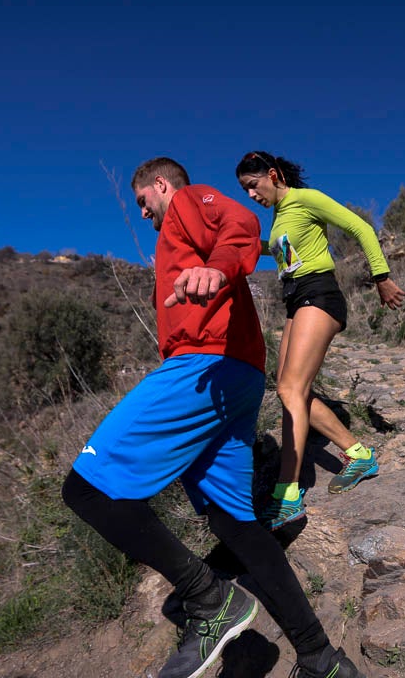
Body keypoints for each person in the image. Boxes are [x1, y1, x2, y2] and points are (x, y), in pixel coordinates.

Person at [61, 157, 363, 678]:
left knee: (87, 489)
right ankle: (321, 659)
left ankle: (209, 601)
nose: (143, 213)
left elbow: (240, 224)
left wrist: (217, 267)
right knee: (236, 525)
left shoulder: (186, 200)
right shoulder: (179, 233)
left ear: (160, 185)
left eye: (141, 201)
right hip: (235, 378)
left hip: (203, 368)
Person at [235, 151, 405, 530]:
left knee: (292, 389)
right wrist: (246, 244)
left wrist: (381, 277)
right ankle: (359, 455)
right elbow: (282, 252)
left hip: (319, 293)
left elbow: (359, 227)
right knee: (289, 390)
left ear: (273, 175)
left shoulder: (305, 199)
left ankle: (288, 493)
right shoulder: (281, 218)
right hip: (295, 300)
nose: (251, 195)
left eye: (253, 186)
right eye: (245, 190)